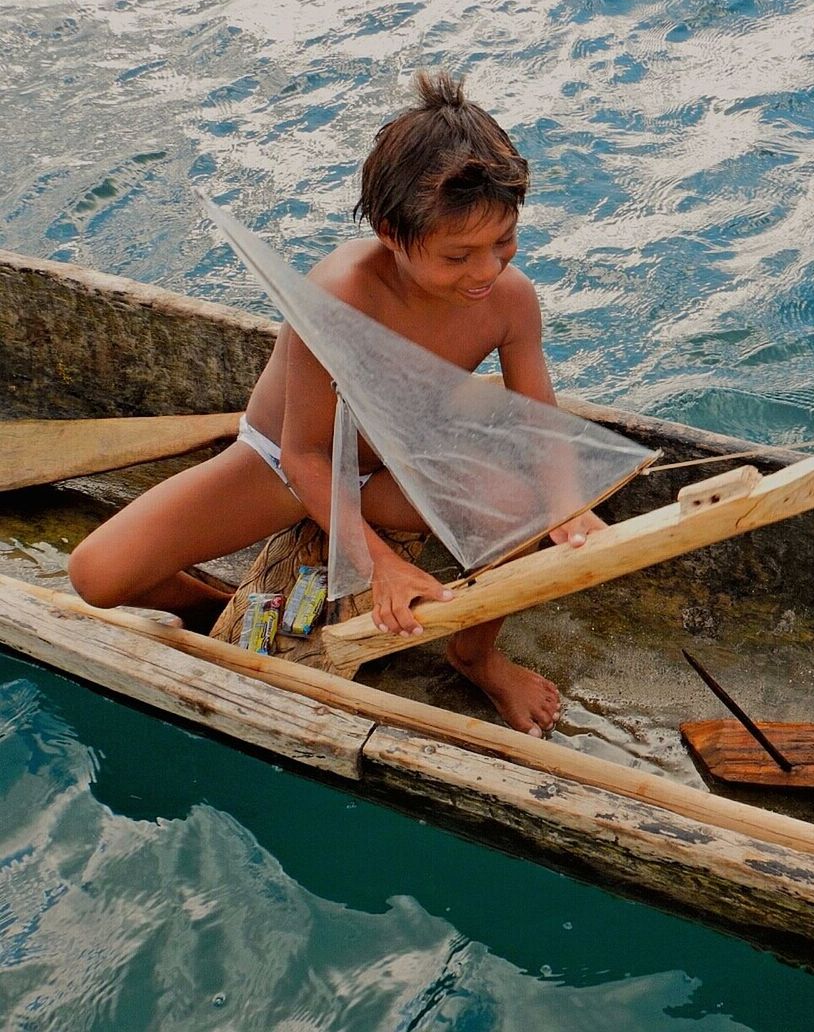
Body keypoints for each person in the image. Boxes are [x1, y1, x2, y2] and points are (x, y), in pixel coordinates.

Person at [68, 69, 603, 737]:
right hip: (287, 466)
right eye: (458, 254)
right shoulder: (340, 294)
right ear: (390, 232)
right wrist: (379, 563)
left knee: (524, 506)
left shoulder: (511, 300)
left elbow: (541, 430)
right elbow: (304, 454)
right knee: (97, 574)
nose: (486, 270)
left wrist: (567, 506)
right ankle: (219, 609)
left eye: (503, 242)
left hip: (397, 466)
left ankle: (474, 657)